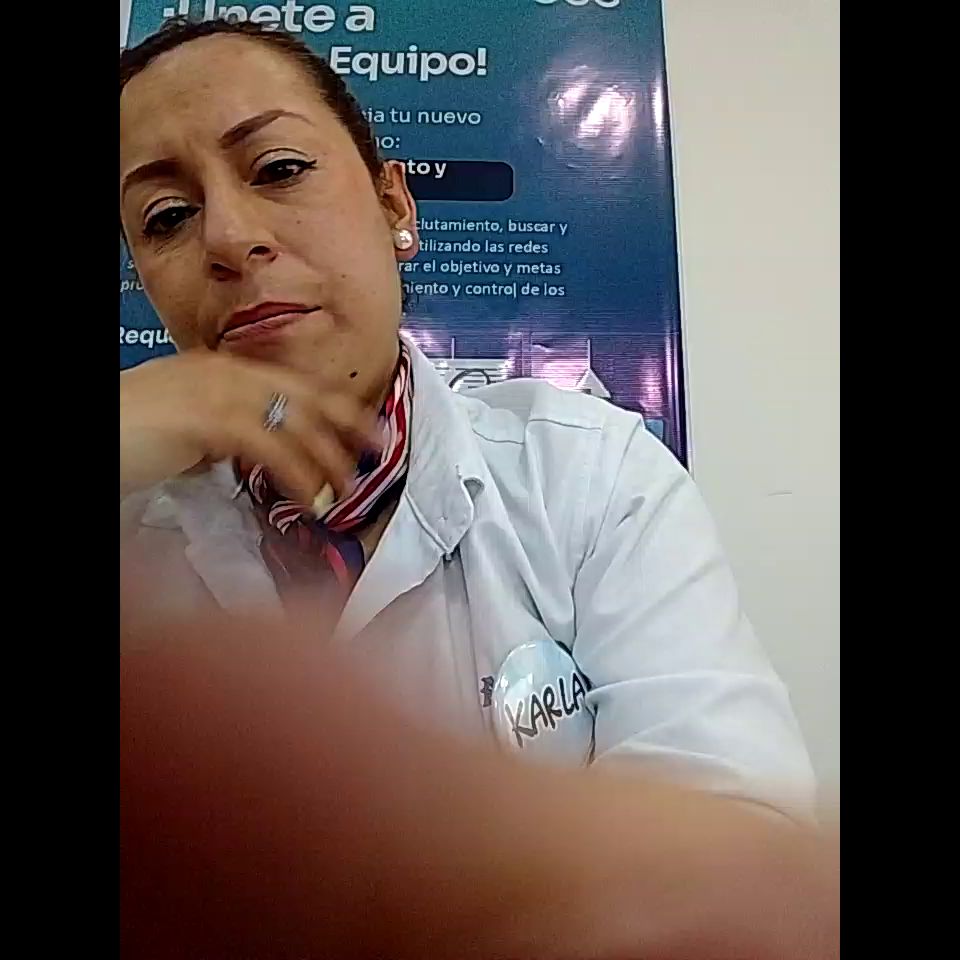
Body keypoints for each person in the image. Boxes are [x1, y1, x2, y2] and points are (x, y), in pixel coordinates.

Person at [120, 18, 814, 818]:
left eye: (279, 168)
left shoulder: (588, 476)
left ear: (394, 204)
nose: (229, 237)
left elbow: (739, 837)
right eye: (166, 216)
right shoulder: (137, 530)